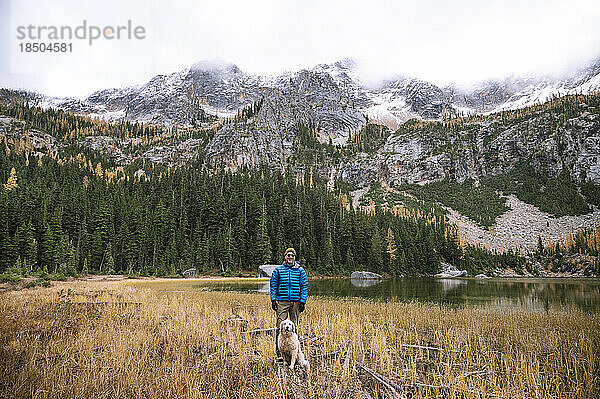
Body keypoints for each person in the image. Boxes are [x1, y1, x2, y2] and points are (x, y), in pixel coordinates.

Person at [270, 247, 308, 357]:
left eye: (292, 256)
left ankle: (294, 350)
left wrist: (302, 301)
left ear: (295, 258)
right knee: (280, 325)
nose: (290, 257)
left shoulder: (300, 270)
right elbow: (273, 285)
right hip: (282, 301)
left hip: (296, 302)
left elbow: (304, 286)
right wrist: (273, 300)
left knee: (294, 326)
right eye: (288, 255)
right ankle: (279, 351)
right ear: (285, 257)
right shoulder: (278, 270)